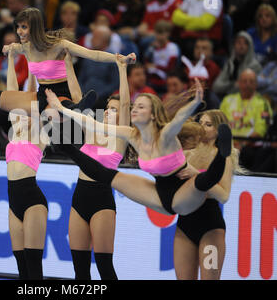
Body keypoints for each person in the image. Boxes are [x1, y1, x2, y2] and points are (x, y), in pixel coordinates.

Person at [45, 78, 233, 217]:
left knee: (201, 180)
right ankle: (65, 147)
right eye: (136, 107)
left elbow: (178, 119)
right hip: (157, 194)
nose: (135, 110)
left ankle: (221, 156)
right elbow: (92, 123)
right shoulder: (132, 134)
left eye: (141, 107)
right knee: (108, 176)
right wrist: (61, 108)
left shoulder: (166, 135)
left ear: (152, 115)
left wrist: (194, 103)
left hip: (182, 196)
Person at [0, 7, 136, 120]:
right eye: (18, 27)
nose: (19, 32)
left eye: (23, 28)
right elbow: (12, 48)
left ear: (34, 26)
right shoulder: (24, 46)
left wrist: (120, 58)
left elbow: (93, 54)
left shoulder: (59, 45)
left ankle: (75, 109)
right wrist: (9, 49)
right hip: (40, 95)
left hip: (62, 93)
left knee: (56, 111)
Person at [66, 52, 130, 280]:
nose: (110, 113)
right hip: (79, 198)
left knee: (104, 267)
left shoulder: (121, 139)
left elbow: (125, 102)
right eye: (108, 109)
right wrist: (67, 62)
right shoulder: (91, 130)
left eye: (115, 111)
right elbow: (77, 97)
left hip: (102, 200)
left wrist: (121, 68)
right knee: (80, 270)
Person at [173, 109, 244, 280]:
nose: (202, 127)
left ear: (219, 130)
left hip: (210, 226)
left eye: (208, 124)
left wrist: (196, 174)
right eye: (201, 123)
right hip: (184, 224)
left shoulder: (223, 157)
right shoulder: (187, 152)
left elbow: (224, 195)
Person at [4, 47, 49, 280]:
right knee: (21, 266)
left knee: (34, 267)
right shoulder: (14, 132)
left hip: (32, 200)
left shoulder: (37, 131)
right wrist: (11, 58)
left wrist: (31, 58)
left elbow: (31, 92)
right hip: (13, 201)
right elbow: (11, 92)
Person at [213, 31, 262, 98]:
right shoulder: (230, 63)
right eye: (239, 42)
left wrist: (228, 87)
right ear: (234, 45)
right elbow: (216, 86)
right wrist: (232, 84)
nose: (241, 46)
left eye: (245, 43)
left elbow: (246, 88)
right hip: (227, 98)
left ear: (250, 46)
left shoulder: (255, 66)